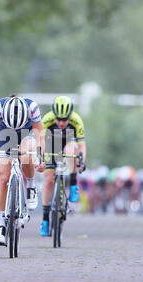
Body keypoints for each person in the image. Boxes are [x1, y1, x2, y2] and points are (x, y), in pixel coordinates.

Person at [0, 94, 45, 246]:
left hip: (27, 135)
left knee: (28, 152)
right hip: (4, 137)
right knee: (3, 176)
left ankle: (30, 185)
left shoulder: (33, 108)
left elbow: (40, 137)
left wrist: (41, 159)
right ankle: (0, 226)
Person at [39, 95, 86, 236]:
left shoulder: (76, 120)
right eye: (58, 119)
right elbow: (39, 141)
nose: (61, 123)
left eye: (65, 120)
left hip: (68, 145)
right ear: (54, 115)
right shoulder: (46, 119)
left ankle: (73, 184)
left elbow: (82, 145)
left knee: (72, 150)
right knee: (48, 181)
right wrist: (40, 158)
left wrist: (82, 162)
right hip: (50, 146)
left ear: (69, 116)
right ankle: (46, 219)